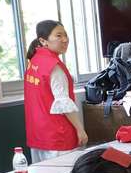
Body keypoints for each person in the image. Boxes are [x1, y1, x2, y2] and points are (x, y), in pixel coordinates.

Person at [23, 20, 88, 163]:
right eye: (58, 36)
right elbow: (63, 103)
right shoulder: (54, 66)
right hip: (58, 136)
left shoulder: (33, 62)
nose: (65, 40)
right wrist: (80, 129)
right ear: (43, 40)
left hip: (38, 135)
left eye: (65, 35)